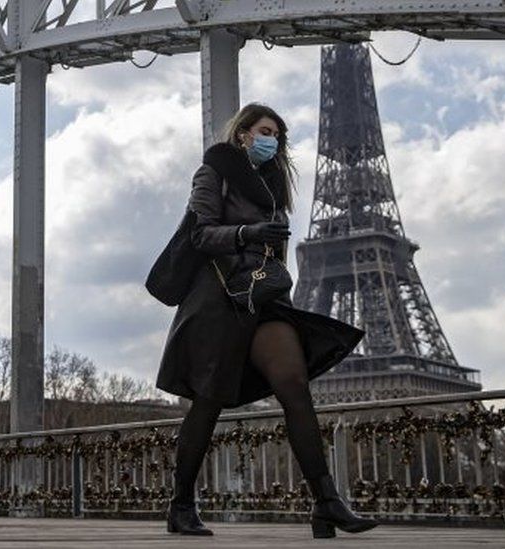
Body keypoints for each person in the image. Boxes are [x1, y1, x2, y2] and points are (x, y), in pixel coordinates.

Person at [155, 103, 379, 539]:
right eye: (264, 130)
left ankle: (326, 502)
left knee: (294, 384)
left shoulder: (275, 187)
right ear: (242, 134)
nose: (271, 139)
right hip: (220, 299)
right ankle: (181, 505)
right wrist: (247, 234)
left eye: (276, 134)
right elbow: (200, 234)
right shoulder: (213, 173)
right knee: (208, 401)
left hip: (264, 298)